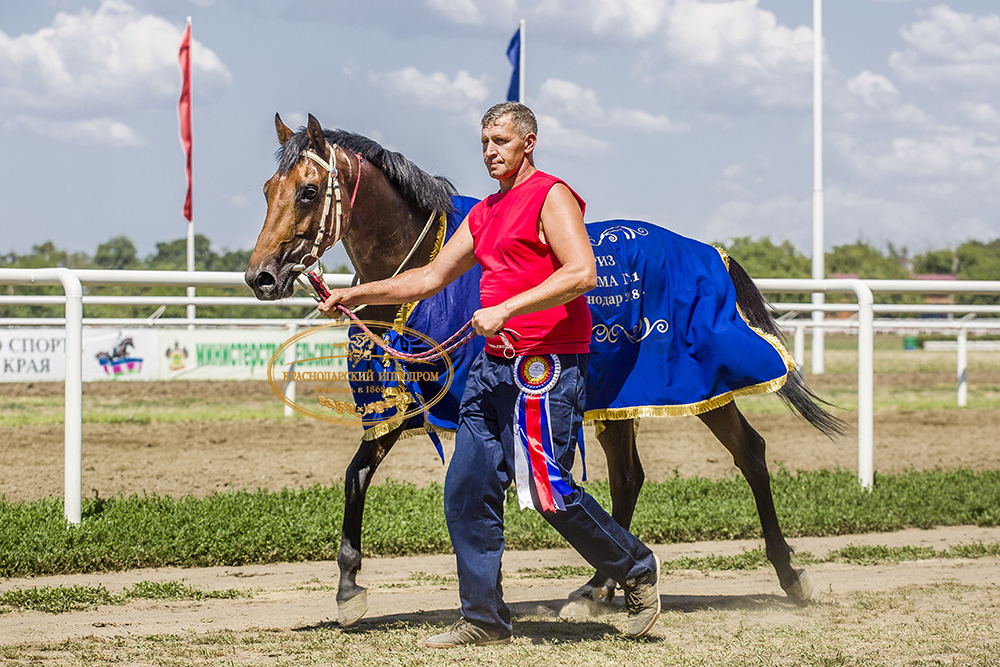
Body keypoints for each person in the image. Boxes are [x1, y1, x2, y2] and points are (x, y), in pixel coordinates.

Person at [319, 102, 660, 647]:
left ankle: (637, 566)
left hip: (545, 366)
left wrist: (507, 309)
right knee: (467, 487)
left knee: (551, 494)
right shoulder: (485, 214)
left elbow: (581, 272)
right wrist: (353, 294)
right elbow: (428, 277)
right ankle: (483, 618)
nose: (489, 152)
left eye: (500, 141)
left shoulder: (552, 196)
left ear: (528, 143)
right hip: (491, 367)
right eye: (483, 142)